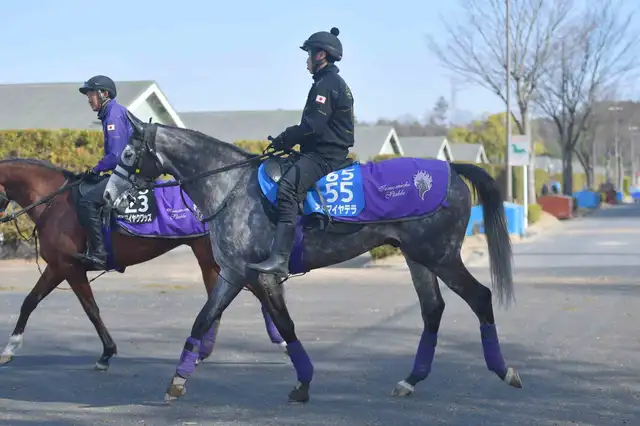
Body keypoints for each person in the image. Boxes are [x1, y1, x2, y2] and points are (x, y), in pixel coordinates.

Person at [246, 27, 355, 275]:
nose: (307, 60)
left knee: (287, 189)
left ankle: (280, 259)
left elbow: (313, 127)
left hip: (324, 156)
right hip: (322, 152)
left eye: (309, 54)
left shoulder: (326, 85)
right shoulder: (330, 83)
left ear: (321, 55)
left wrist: (285, 138)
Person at [74, 75, 133, 269]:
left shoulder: (113, 115)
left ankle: (99, 254)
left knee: (86, 201)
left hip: (128, 175)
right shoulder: (111, 112)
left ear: (104, 94)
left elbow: (115, 156)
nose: (89, 99)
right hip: (125, 172)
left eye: (91, 94)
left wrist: (95, 169)